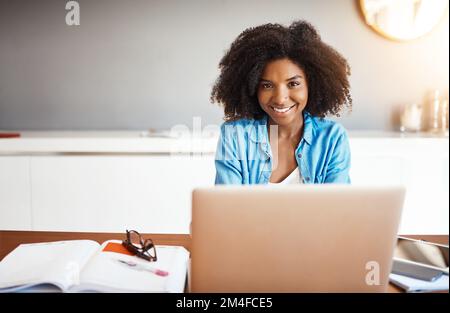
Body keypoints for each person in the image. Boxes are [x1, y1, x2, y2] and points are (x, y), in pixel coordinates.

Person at [211, 20, 352, 185]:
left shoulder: (332, 138)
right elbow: (227, 206)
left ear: (311, 84)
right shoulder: (235, 137)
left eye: (293, 84)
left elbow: (337, 207)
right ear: (253, 87)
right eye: (267, 85)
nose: (279, 98)